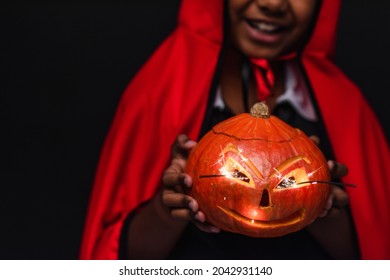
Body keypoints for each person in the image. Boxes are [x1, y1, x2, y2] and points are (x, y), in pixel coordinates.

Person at [79, 0, 390, 260]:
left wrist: (321, 205)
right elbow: (118, 260)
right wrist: (169, 205)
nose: (273, 4)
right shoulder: (158, 94)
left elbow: (373, 253)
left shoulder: (346, 107)